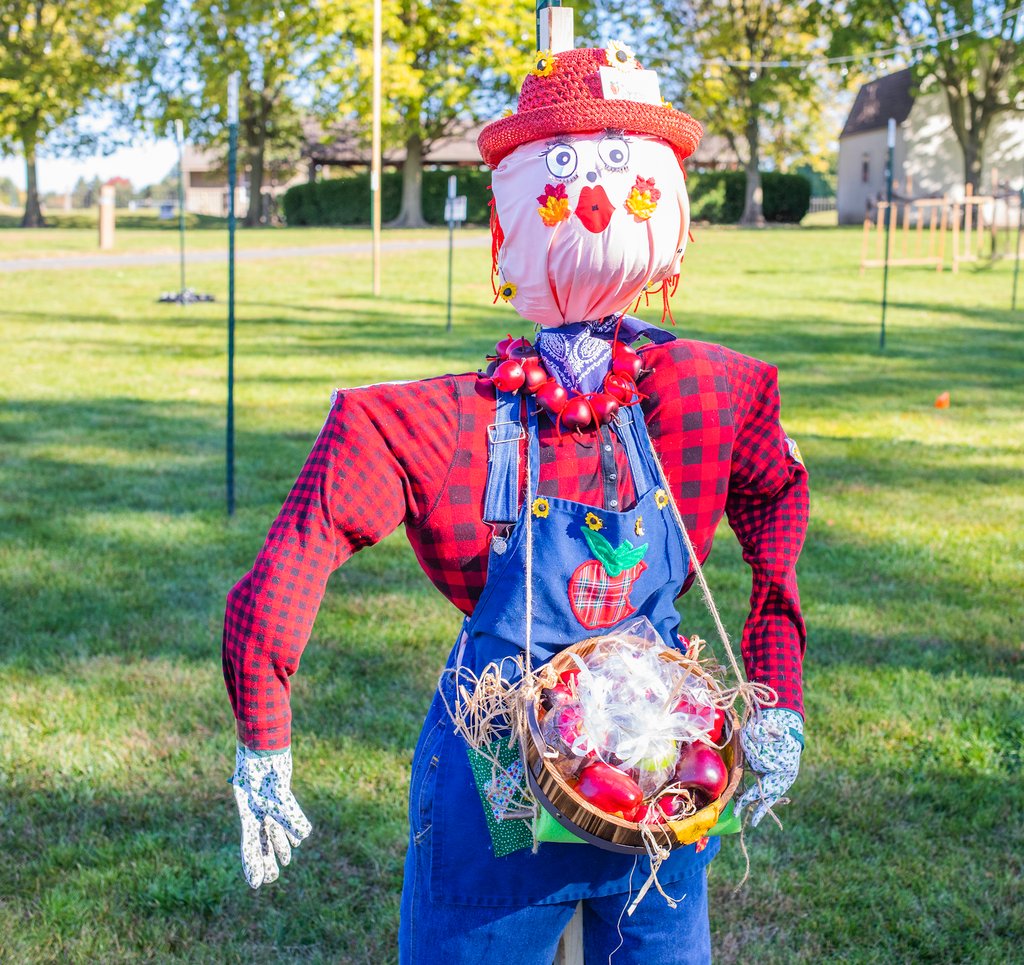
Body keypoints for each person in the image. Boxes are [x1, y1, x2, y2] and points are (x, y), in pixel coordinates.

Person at [223, 40, 807, 965]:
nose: (595, 199)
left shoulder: (679, 396)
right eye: (571, 176)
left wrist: (774, 691)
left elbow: (288, 560)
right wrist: (263, 730)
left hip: (626, 764)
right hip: (600, 779)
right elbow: (291, 563)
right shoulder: (703, 393)